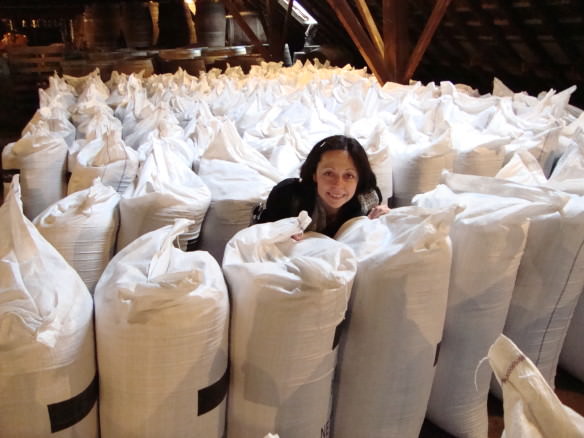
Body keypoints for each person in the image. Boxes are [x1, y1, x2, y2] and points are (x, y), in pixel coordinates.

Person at [253, 135, 390, 238]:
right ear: (314, 174)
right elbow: (261, 240)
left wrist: (371, 224)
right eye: (329, 173)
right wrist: (282, 238)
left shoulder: (367, 200)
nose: (338, 184)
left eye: (349, 176)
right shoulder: (287, 197)